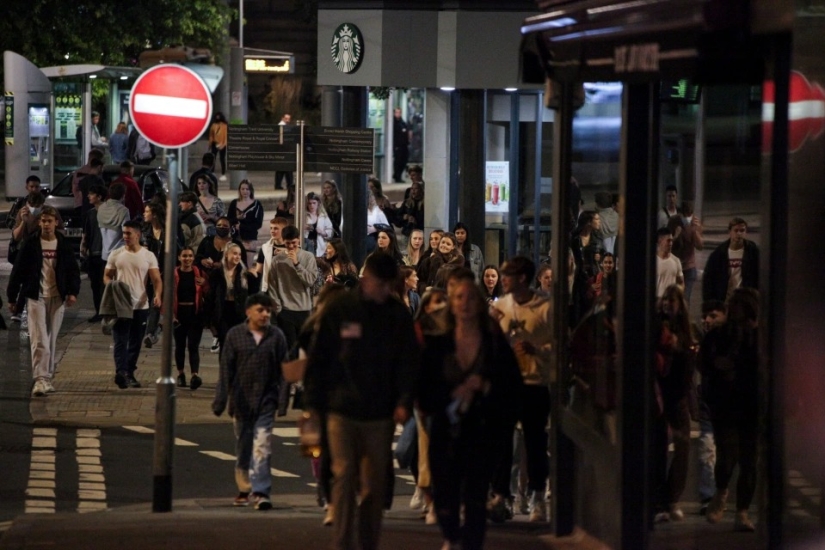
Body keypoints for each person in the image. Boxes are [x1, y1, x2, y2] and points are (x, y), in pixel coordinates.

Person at [304, 253, 420, 550]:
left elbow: (408, 362)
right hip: (341, 407)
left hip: (379, 411)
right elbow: (319, 359)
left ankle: (368, 542)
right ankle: (342, 543)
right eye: (380, 284)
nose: (384, 291)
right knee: (343, 475)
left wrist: (404, 399)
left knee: (373, 484)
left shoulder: (396, 315)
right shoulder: (341, 308)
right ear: (367, 279)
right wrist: (314, 405)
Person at [418, 275, 522, 550]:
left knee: (476, 494)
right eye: (459, 298)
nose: (465, 304)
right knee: (445, 495)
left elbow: (511, 382)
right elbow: (423, 384)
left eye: (471, 298)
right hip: (445, 427)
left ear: (479, 303)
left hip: (481, 427)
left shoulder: (492, 343)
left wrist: (485, 385)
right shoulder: (439, 344)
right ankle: (451, 535)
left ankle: (472, 543)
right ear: (451, 305)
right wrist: (450, 392)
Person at [490, 255, 554, 523]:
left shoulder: (544, 307)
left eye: (508, 275)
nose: (503, 280)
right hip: (506, 383)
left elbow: (559, 345)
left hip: (534, 382)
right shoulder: (501, 306)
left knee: (535, 442)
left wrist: (536, 349)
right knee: (502, 442)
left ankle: (538, 496)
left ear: (522, 279)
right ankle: (502, 496)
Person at [212, 292, 288, 511]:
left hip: (267, 399)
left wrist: (282, 401)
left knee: (262, 445)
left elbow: (284, 370)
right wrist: (220, 400)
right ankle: (244, 486)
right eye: (260, 310)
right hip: (241, 400)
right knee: (244, 445)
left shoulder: (277, 336)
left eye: (268, 311)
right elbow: (226, 371)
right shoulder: (235, 335)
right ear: (248, 312)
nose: (265, 315)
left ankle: (262, 492)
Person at [701, 288, 760, 532]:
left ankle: (742, 512)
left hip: (751, 404)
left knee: (749, 461)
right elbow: (704, 362)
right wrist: (716, 366)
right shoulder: (719, 335)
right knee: (727, 456)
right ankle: (722, 493)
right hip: (726, 404)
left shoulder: (757, 337)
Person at [7, 206, 80, 397]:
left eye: (50, 221)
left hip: (57, 298)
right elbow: (18, 271)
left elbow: (72, 269)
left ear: (56, 222)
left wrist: (72, 292)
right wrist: (12, 297)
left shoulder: (62, 244)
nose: (46, 224)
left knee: (51, 338)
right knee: (39, 339)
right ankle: (40, 379)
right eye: (43, 220)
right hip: (35, 296)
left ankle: (47, 377)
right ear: (40, 222)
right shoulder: (31, 244)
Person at [652, 284, 697, 523]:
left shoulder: (686, 331)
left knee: (683, 449)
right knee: (658, 449)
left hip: (677, 396)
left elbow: (687, 365)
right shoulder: (655, 326)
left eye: (673, 300)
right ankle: (659, 501)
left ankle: (671, 498)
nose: (668, 304)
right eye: (666, 300)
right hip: (658, 395)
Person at [104, 219, 162, 389]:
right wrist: (112, 285)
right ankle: (121, 372)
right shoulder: (116, 254)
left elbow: (156, 280)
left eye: (128, 233)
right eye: (124, 233)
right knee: (120, 340)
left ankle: (130, 371)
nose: (125, 236)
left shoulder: (148, 256)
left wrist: (157, 295)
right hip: (121, 305)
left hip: (140, 305)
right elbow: (107, 275)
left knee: (135, 342)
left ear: (138, 234)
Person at [265, 225, 317, 415]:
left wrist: (297, 264)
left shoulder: (308, 257)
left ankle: (300, 381)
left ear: (299, 241)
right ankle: (292, 383)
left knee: (305, 349)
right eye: (288, 244)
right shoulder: (278, 260)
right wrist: (278, 309)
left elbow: (311, 281)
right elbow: (272, 285)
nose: (291, 247)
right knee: (290, 348)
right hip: (286, 309)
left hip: (304, 309)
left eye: (294, 243)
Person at [696, 299, 727, 516]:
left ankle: (719, 494)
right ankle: (709, 496)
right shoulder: (706, 339)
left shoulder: (732, 338)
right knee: (708, 450)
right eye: (706, 316)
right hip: (710, 401)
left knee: (725, 452)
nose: (707, 320)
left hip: (727, 403)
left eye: (713, 315)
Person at [205, 243, 259, 353]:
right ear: (226, 255)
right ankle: (225, 369)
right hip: (223, 312)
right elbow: (210, 297)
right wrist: (210, 321)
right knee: (225, 345)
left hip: (240, 314)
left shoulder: (244, 274)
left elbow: (253, 294)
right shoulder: (217, 273)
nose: (237, 257)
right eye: (234, 253)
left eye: (239, 254)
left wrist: (255, 277)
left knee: (239, 347)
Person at [173, 247, 208, 390]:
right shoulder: (174, 274)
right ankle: (181, 374)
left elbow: (208, 291)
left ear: (193, 258)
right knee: (180, 345)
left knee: (193, 346)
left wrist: (204, 283)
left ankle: (194, 375)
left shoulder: (199, 273)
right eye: (184, 256)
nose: (187, 259)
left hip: (194, 313)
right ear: (179, 258)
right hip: (179, 314)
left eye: (190, 256)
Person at [702, 217, 759, 304]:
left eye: (742, 230)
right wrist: (710, 303)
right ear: (730, 232)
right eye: (736, 230)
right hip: (724, 301)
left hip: (746, 301)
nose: (739, 234)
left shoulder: (753, 252)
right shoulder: (719, 254)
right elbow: (709, 280)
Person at [140, 202, 169, 348]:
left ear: (155, 214)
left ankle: (150, 334)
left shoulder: (167, 233)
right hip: (147, 274)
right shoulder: (144, 232)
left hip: (163, 274)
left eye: (147, 211)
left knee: (156, 303)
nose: (144, 214)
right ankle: (153, 330)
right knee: (146, 303)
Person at [570, 210, 604, 326]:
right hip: (579, 278)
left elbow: (604, 256)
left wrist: (600, 257)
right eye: (597, 219)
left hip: (594, 276)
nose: (599, 222)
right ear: (589, 222)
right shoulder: (574, 239)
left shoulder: (598, 237)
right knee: (578, 310)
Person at [80, 184, 107, 322]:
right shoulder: (90, 214)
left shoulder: (108, 212)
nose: (88, 196)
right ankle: (99, 312)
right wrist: (83, 247)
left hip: (106, 255)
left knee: (104, 285)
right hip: (94, 255)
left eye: (92, 194)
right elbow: (86, 232)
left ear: (99, 196)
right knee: (95, 285)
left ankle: (105, 312)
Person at [670, 201, 704, 305]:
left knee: (685, 299)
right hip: (675, 267)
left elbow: (700, 246)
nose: (687, 219)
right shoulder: (674, 221)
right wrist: (676, 235)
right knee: (674, 299)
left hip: (689, 267)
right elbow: (668, 244)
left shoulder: (695, 223)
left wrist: (695, 230)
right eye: (685, 216)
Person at [228, 179, 264, 267]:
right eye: (242, 189)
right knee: (234, 266)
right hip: (235, 238)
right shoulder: (234, 203)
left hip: (249, 239)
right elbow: (228, 220)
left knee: (247, 266)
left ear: (251, 190)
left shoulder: (257, 204)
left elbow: (258, 224)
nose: (245, 191)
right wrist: (237, 218)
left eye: (247, 189)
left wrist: (242, 226)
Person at [97, 182, 130, 263]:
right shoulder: (124, 211)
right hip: (119, 254)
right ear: (123, 195)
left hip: (105, 254)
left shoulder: (101, 208)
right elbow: (127, 232)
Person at [656, 227, 684, 299]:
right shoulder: (653, 261)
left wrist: (677, 295)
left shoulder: (676, 260)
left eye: (671, 240)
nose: (671, 243)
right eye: (668, 241)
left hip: (670, 300)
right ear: (660, 241)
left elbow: (681, 282)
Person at [304, 192, 334, 257]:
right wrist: (303, 228)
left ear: (318, 203)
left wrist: (322, 232)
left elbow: (330, 231)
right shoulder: (304, 215)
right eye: (309, 203)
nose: (312, 206)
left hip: (320, 246)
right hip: (306, 245)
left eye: (314, 203)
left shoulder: (323, 216)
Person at [275, 114, 294, 189]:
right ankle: (289, 185)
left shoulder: (284, 127)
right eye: (286, 119)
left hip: (282, 151)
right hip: (284, 151)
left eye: (289, 119)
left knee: (281, 170)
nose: (288, 120)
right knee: (287, 169)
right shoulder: (282, 127)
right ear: (282, 118)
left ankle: (278, 185)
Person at [392, 108, 411, 183]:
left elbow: (407, 131)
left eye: (399, 112)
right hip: (397, 146)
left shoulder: (403, 122)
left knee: (404, 161)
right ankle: (397, 176)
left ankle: (398, 175)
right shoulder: (393, 123)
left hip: (404, 145)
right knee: (398, 161)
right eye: (396, 112)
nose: (398, 114)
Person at [209, 112, 229, 181]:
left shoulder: (224, 126)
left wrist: (223, 144)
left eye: (219, 116)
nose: (217, 117)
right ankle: (212, 172)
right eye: (216, 116)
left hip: (222, 144)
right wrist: (210, 144)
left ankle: (223, 174)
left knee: (222, 159)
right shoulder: (213, 125)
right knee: (213, 158)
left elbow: (226, 136)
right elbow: (211, 135)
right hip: (214, 143)